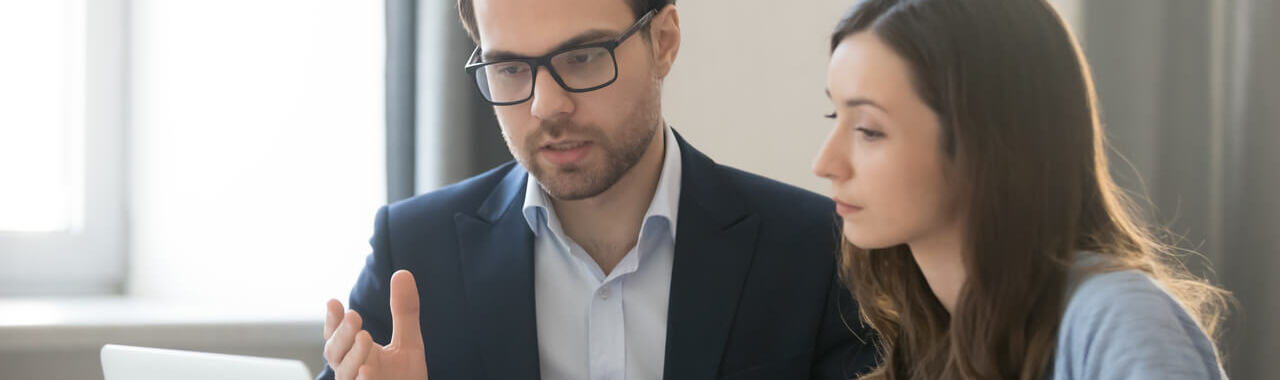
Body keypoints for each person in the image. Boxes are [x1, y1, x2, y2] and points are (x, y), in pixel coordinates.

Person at [316, 1, 879, 379]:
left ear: (663, 41)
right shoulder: (413, 252)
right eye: (509, 68)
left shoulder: (814, 250)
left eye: (582, 58)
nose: (546, 105)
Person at [812, 0, 1232, 379]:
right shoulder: (929, 336)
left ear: (987, 140)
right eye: (836, 115)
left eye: (869, 130)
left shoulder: (1119, 318)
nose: (825, 165)